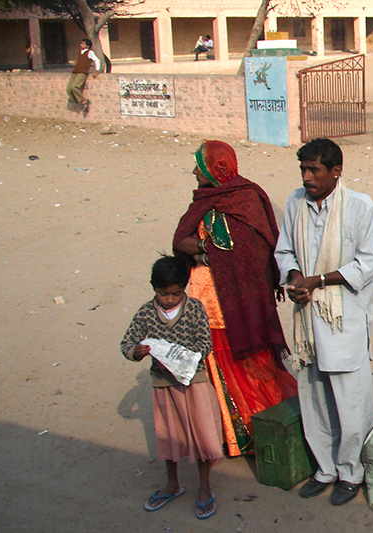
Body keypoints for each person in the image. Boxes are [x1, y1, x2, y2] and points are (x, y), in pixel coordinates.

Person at [173, 140, 297, 457]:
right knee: (217, 366)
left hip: (239, 304)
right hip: (208, 300)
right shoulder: (204, 200)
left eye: (199, 166)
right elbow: (181, 241)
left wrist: (207, 251)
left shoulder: (246, 199)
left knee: (252, 366)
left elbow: (256, 251)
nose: (193, 172)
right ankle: (233, 435)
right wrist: (205, 249)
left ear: (215, 169)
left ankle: (263, 428)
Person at [274, 138, 373, 506]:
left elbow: (365, 265)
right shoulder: (294, 203)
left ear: (336, 171)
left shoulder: (360, 207)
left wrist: (317, 281)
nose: (306, 177)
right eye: (303, 168)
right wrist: (294, 278)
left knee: (351, 401)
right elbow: (284, 249)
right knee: (314, 395)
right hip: (307, 321)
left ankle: (352, 472)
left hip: (343, 320)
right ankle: (325, 469)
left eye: (314, 170)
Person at [120, 255, 223, 520]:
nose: (169, 299)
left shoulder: (195, 308)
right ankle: (173, 483)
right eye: (163, 294)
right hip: (163, 385)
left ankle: (204, 487)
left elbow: (205, 344)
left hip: (194, 383)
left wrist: (182, 358)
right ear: (153, 288)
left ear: (185, 288)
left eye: (175, 294)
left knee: (202, 436)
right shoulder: (145, 312)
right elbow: (127, 344)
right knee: (168, 436)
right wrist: (138, 352)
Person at [65, 38, 100, 107]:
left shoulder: (90, 52)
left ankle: (83, 100)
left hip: (82, 72)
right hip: (75, 71)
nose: (81, 45)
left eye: (83, 44)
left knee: (74, 87)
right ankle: (75, 100)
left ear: (87, 46)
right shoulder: (80, 52)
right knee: (68, 88)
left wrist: (97, 70)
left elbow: (97, 60)